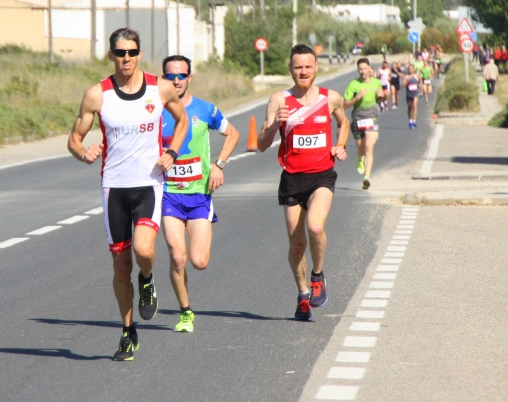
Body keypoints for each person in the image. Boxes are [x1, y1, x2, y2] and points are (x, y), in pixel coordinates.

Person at [67, 28, 188, 362]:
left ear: (139, 54)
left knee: (143, 250)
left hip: (148, 183)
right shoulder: (97, 95)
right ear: (111, 56)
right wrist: (83, 153)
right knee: (120, 267)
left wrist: (173, 153)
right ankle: (128, 331)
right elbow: (74, 139)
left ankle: (147, 278)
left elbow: (182, 122)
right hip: (114, 188)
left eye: (132, 52)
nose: (126, 59)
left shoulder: (160, 88)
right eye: (120, 53)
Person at [256, 44, 350, 322]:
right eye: (298, 67)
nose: (303, 72)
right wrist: (274, 126)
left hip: (322, 175)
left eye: (308, 66)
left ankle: (318, 275)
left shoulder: (330, 98)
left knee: (315, 226)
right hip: (292, 179)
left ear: (316, 68)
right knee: (296, 246)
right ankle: (302, 295)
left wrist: (341, 145)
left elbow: (343, 123)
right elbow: (261, 145)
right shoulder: (279, 100)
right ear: (290, 69)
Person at [159, 55, 240, 333]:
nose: (177, 80)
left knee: (199, 261)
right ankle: (185, 312)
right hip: (168, 195)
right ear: (163, 79)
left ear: (190, 77)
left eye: (182, 75)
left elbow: (233, 135)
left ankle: (184, 302)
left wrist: (218, 165)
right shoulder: (155, 113)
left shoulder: (206, 110)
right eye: (171, 76)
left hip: (199, 197)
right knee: (177, 257)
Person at [344, 58, 384, 190]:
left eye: (364, 68)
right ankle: (360, 158)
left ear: (369, 68)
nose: (362, 71)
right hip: (357, 119)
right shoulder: (353, 85)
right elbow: (345, 104)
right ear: (358, 70)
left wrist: (381, 95)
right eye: (360, 69)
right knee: (361, 149)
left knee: (368, 147)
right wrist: (357, 97)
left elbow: (381, 98)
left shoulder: (376, 83)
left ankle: (366, 177)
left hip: (372, 118)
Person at [405, 64, 420, 129]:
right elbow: (403, 86)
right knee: (410, 107)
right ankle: (410, 120)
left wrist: (420, 88)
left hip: (415, 93)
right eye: (409, 68)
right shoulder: (406, 77)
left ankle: (414, 120)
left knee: (414, 105)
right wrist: (407, 81)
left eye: (411, 68)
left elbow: (420, 82)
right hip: (409, 94)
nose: (410, 69)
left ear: (414, 69)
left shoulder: (417, 76)